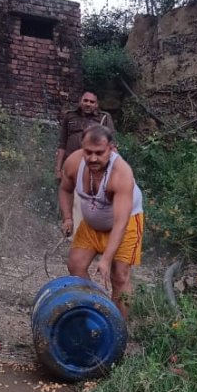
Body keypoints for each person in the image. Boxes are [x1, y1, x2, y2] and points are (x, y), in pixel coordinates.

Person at [59, 126, 143, 318]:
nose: (93, 158)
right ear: (82, 147)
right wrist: (68, 218)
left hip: (125, 223)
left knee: (119, 276)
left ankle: (118, 329)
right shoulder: (73, 162)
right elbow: (65, 189)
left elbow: (120, 223)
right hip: (92, 223)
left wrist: (105, 259)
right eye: (88, 152)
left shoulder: (121, 173)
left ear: (112, 149)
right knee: (75, 266)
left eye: (99, 153)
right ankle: (99, 310)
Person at [55, 90, 115, 230]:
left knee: (87, 197)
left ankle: (84, 228)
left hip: (92, 167)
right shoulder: (70, 117)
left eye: (92, 102)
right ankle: (67, 225)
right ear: (80, 101)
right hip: (70, 165)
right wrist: (58, 169)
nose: (88, 104)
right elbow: (62, 144)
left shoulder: (104, 118)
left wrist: (113, 169)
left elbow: (111, 145)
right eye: (85, 100)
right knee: (67, 193)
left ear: (97, 104)